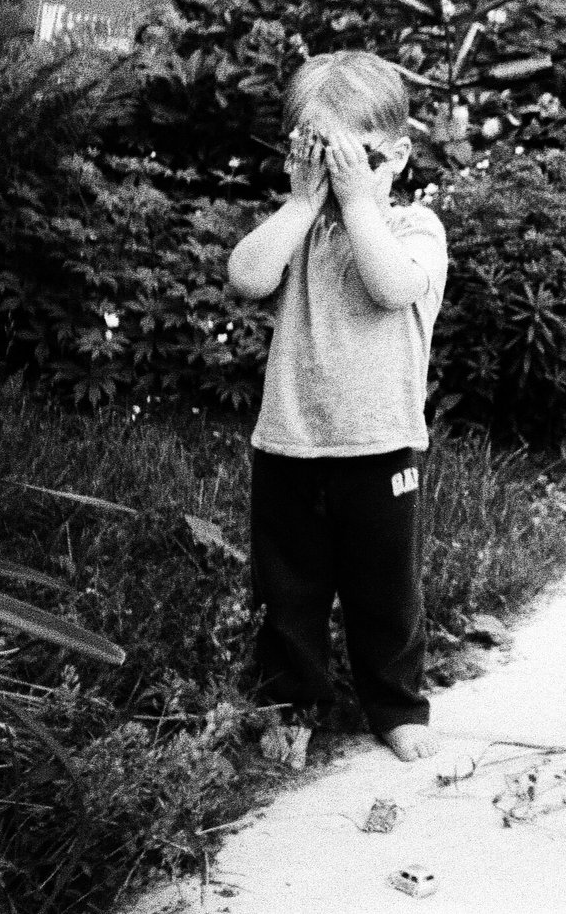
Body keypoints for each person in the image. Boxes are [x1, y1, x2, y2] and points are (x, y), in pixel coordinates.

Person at [227, 51, 449, 765]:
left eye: (359, 158)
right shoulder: (302, 229)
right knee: (287, 588)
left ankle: (395, 703)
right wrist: (301, 203)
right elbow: (246, 277)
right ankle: (291, 702)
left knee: (384, 587)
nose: (338, 176)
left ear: (400, 155)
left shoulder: (415, 229)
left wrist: (359, 203)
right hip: (290, 441)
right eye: (322, 156)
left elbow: (389, 288)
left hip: (380, 446)